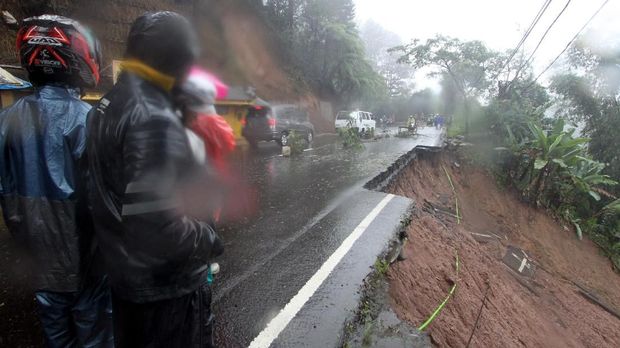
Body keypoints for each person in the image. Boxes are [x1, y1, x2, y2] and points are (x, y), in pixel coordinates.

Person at [86, 12, 223, 347]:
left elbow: (101, 192)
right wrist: (208, 239)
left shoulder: (105, 105)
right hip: (165, 292)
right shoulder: (152, 117)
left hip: (126, 281)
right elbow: (159, 227)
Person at [0, 15, 113, 347]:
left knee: (56, 337)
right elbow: (104, 199)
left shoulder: (6, 121)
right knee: (95, 336)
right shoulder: (88, 120)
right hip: (86, 265)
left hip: (39, 264)